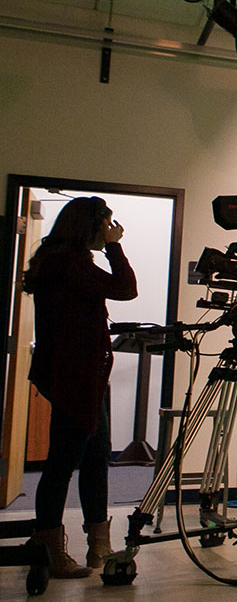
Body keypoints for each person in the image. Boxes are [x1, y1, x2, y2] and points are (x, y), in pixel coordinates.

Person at [23, 197, 137, 579]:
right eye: (106, 223)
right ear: (91, 226)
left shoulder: (60, 259)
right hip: (76, 378)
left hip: (81, 376)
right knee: (63, 462)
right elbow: (125, 288)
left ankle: (97, 547)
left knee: (93, 457)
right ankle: (51, 549)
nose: (110, 228)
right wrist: (116, 246)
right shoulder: (68, 263)